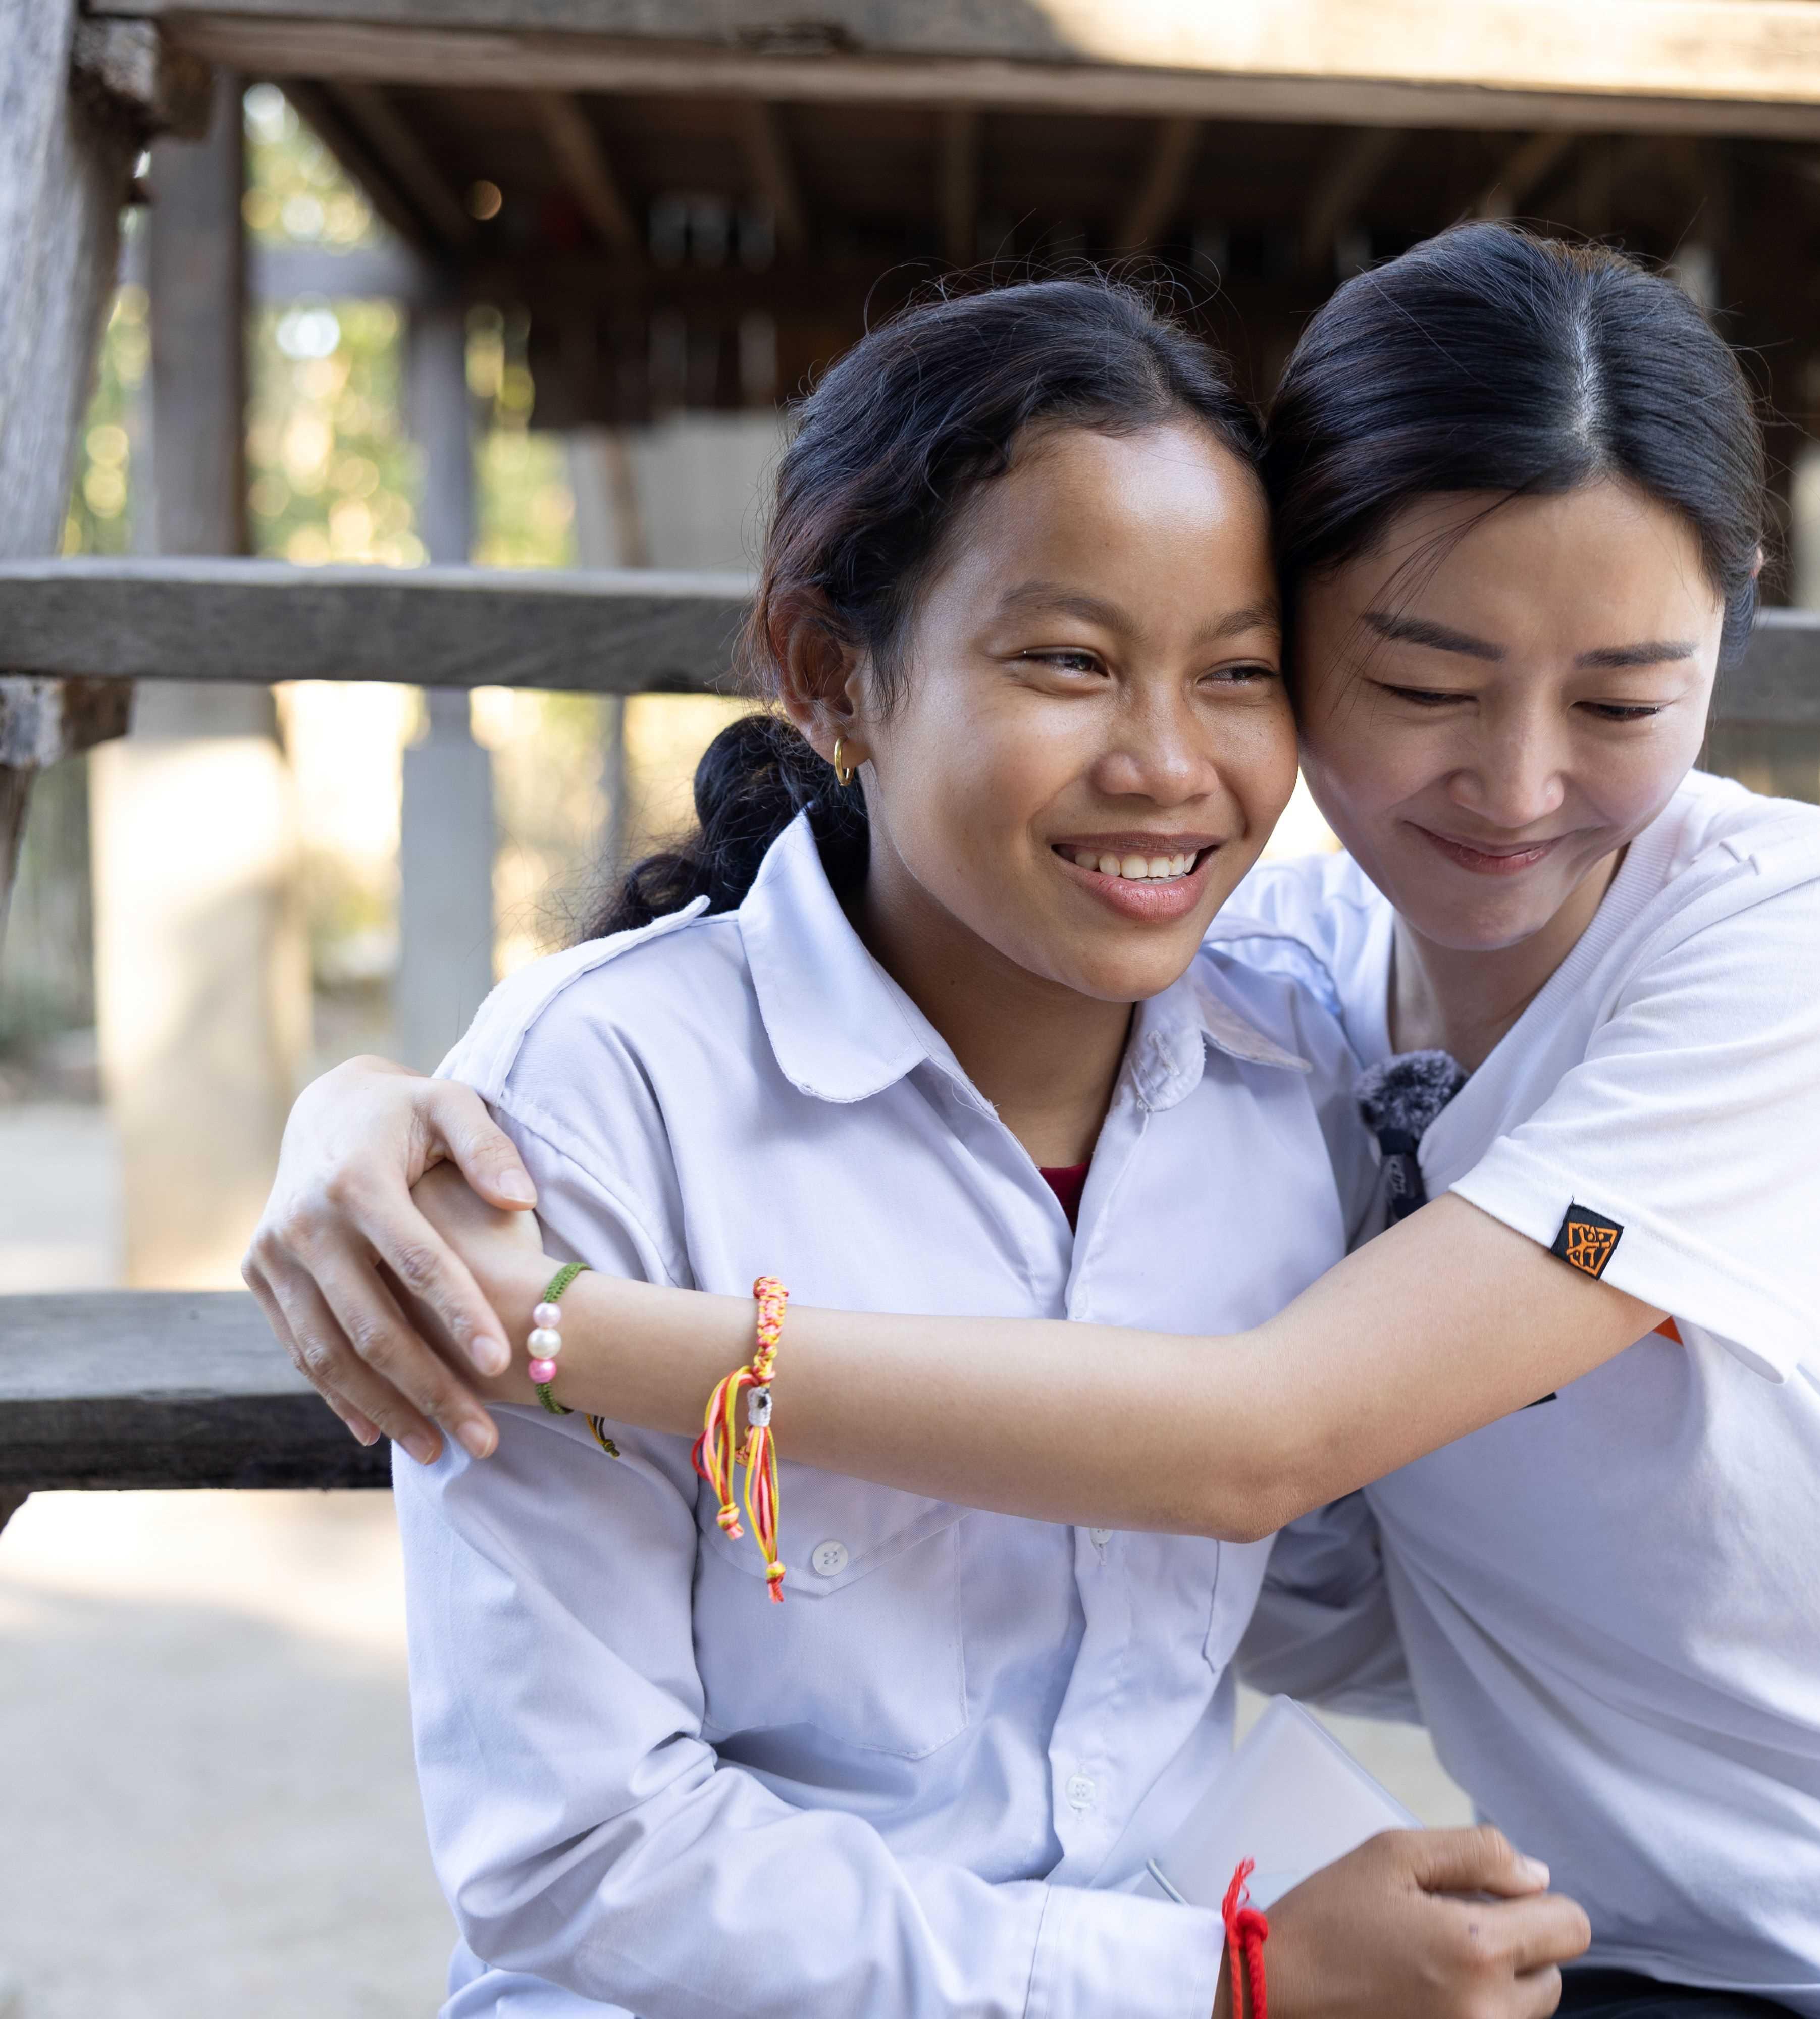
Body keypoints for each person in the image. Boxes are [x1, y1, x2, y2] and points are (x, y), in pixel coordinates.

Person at [250, 226, 1820, 2019]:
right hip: (1678, 1957)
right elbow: (1306, 1578)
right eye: (1421, 682)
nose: (1521, 779)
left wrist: (569, 1328)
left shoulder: (1783, 940)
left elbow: (1260, 1448)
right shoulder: (1258, 990)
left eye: (1629, 697)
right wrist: (358, 1106)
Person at [338, 276, 1586, 2019]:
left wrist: (1617, 1277)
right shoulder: (598, 1102)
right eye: (1069, 662)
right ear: (832, 671)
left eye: (1238, 675)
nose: (1168, 764)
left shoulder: (1298, 1066)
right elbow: (576, 1856)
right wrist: (1221, 1984)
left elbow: (1385, 1513)